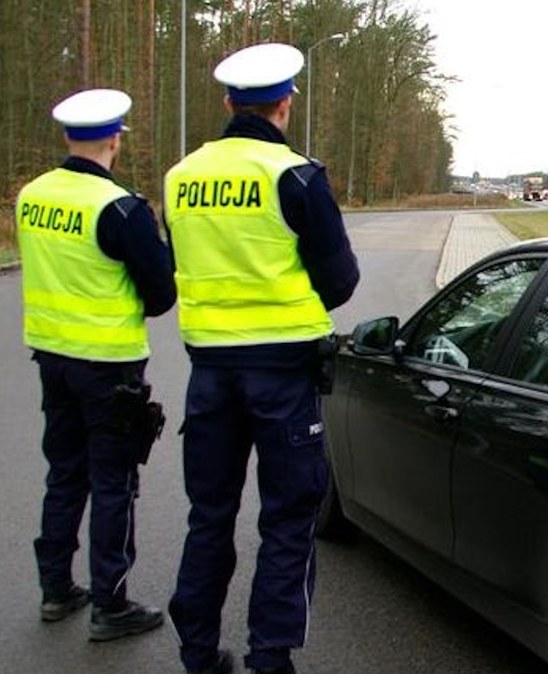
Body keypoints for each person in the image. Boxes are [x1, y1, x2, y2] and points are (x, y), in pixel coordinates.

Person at [164, 42, 359, 674]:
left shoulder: (179, 176)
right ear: (286, 103)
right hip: (282, 375)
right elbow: (340, 281)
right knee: (287, 518)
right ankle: (268, 658)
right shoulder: (295, 176)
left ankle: (197, 653)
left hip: (211, 375)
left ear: (227, 102)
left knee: (209, 517)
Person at [16, 88, 175, 641]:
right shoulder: (121, 209)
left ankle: (56, 589)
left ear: (66, 137)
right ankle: (112, 603)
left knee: (64, 474)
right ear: (115, 139)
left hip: (52, 359)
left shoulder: (31, 196)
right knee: (114, 483)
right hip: (109, 366)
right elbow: (160, 296)